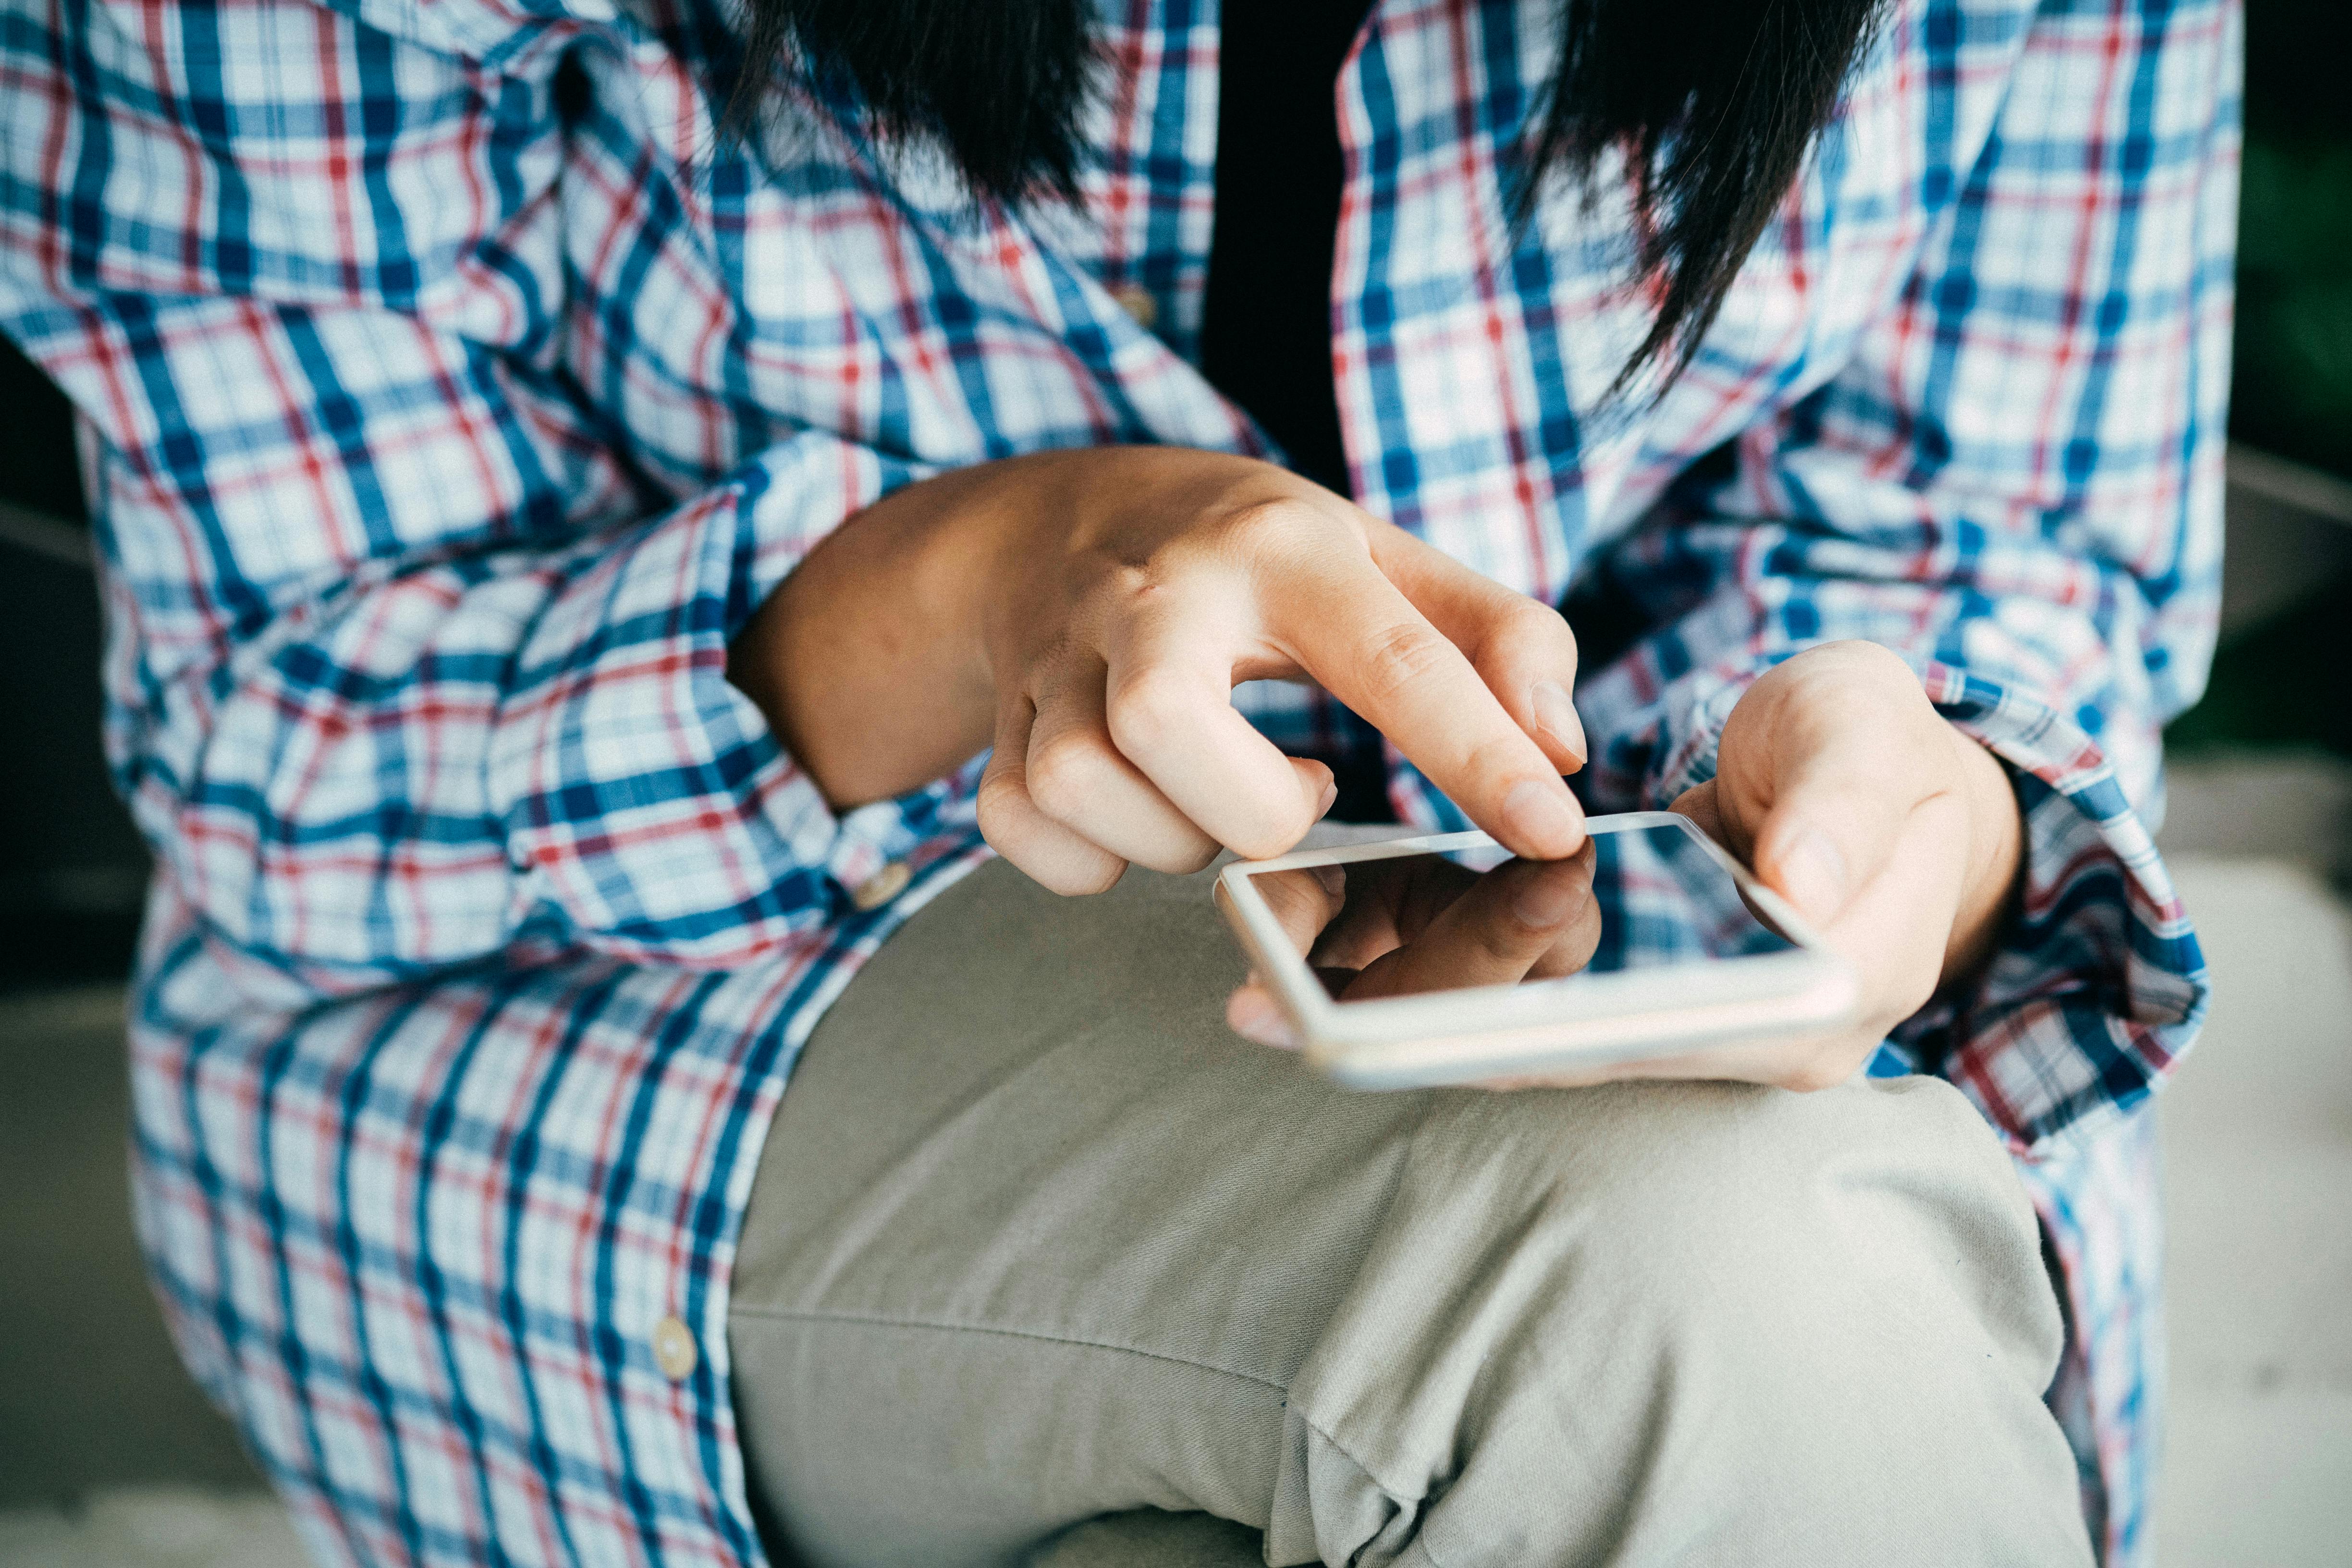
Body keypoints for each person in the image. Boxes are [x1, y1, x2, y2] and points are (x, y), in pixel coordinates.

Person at [0, 0, 2234, 1561]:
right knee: (1699, 1301)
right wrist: (971, 591)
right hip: (603, 998)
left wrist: (1930, 817)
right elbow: (275, 720)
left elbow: (1993, 538)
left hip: (1539, 949)